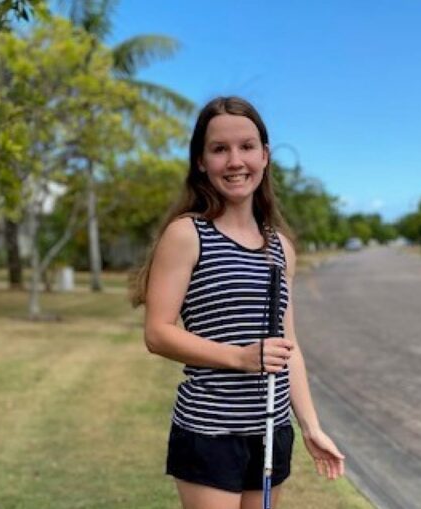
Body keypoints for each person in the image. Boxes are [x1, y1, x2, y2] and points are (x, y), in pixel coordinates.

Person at [131, 96, 345, 509]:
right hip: (211, 432)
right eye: (219, 149)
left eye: (246, 147)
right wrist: (240, 358)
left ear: (265, 156)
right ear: (200, 161)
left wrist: (311, 427)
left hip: (271, 429)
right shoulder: (187, 234)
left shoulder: (281, 246)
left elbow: (289, 346)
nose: (235, 161)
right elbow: (158, 334)